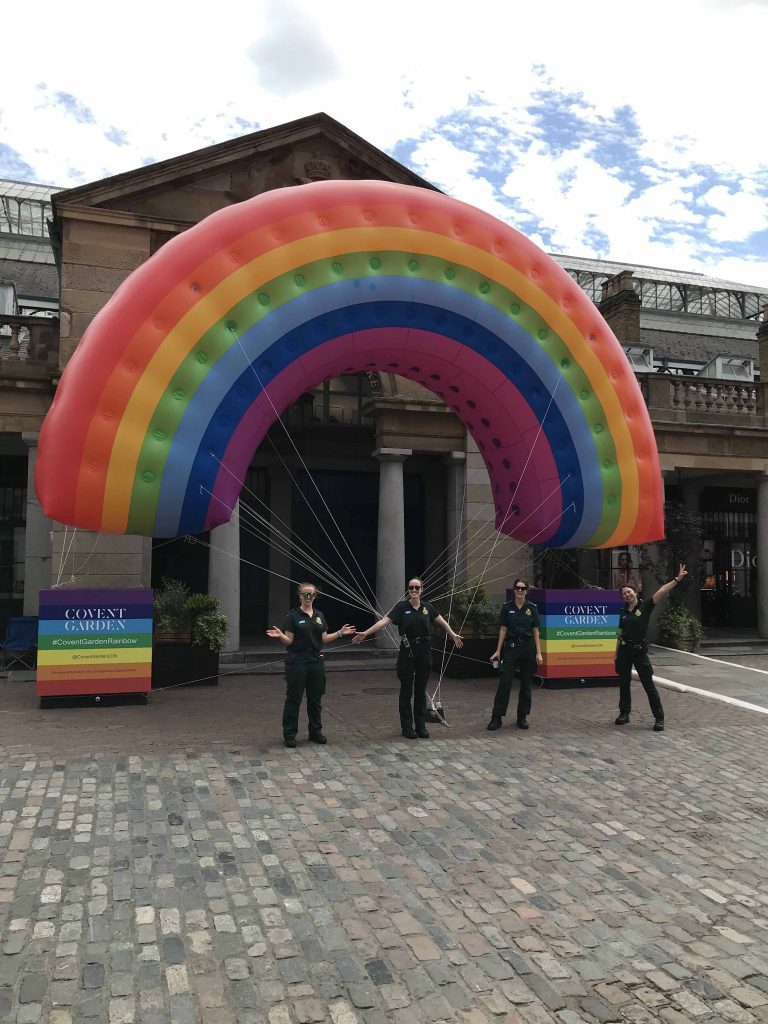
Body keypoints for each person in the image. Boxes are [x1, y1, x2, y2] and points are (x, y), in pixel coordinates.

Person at [352, 577, 463, 739]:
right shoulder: (401, 608)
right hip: (408, 651)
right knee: (406, 690)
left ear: (422, 589)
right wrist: (366, 633)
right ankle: (407, 727)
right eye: (411, 588)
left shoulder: (428, 608)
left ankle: (421, 726)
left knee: (420, 690)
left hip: (424, 651)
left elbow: (442, 622)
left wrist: (453, 635)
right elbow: (384, 621)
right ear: (408, 590)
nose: (414, 591)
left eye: (417, 588)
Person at [267, 583, 355, 748]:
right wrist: (280, 636)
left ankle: (315, 731)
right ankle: (290, 733)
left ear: (315, 596)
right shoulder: (293, 616)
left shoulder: (319, 615)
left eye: (311, 595)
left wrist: (340, 633)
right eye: (305, 594)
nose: (308, 598)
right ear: (299, 596)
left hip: (315, 661)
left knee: (315, 699)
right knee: (294, 698)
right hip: (298, 661)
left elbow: (324, 638)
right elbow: (289, 640)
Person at [614, 564, 688, 732]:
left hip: (639, 651)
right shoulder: (623, 612)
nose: (627, 594)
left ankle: (659, 718)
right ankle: (624, 714)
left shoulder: (645, 606)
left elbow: (661, 592)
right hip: (624, 651)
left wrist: (677, 580)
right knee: (624, 683)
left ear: (635, 592)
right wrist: (615, 654)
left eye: (629, 591)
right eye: (624, 593)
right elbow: (619, 634)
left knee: (648, 684)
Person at [487, 577, 543, 732]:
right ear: (514, 590)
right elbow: (503, 629)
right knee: (505, 682)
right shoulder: (507, 607)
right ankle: (496, 717)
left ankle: (522, 716)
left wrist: (539, 653)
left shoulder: (532, 608)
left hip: (528, 648)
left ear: (526, 591)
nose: (520, 591)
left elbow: (536, 631)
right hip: (511, 648)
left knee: (526, 684)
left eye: (522, 588)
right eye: (517, 588)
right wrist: (498, 650)